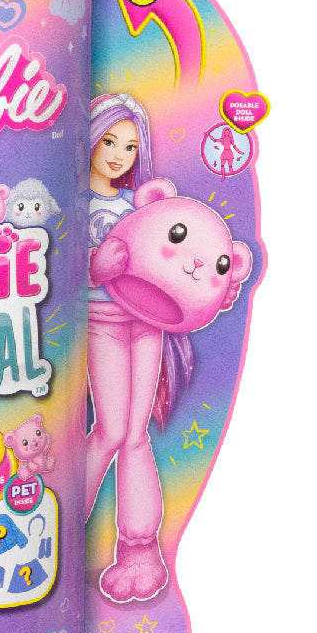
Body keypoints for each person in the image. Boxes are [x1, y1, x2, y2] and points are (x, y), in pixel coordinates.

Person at [86, 94, 193, 604]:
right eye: (110, 141)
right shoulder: (76, 202)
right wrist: (94, 266)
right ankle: (62, 525)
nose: (118, 155)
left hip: (147, 323)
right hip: (101, 323)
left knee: (134, 434)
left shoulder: (137, 204)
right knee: (110, 431)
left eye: (129, 147)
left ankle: (139, 549)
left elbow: (169, 258)